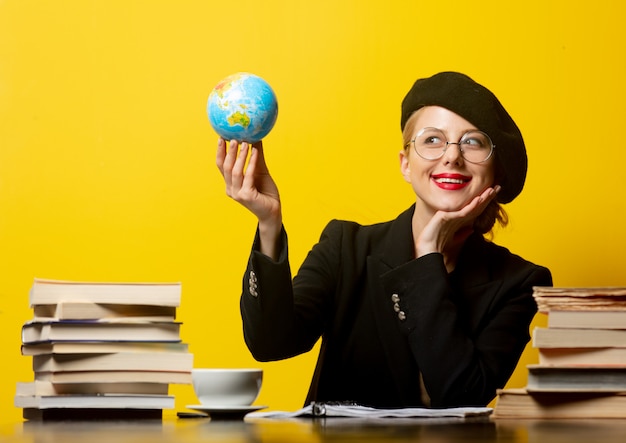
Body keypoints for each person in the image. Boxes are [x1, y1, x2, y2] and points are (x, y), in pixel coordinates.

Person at [216, 71, 552, 408]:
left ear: (495, 173)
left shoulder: (520, 283)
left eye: (472, 142)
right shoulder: (345, 246)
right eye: (432, 140)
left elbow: (461, 395)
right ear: (406, 165)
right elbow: (270, 343)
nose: (452, 156)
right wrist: (269, 223)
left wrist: (426, 258)